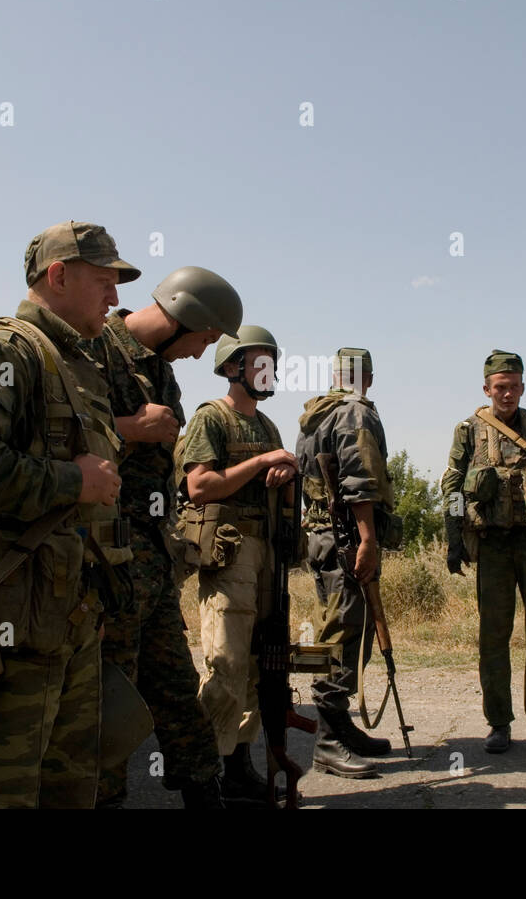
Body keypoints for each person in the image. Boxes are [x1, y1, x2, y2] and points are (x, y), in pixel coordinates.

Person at [0, 221, 136, 808]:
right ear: (59, 275)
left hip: (69, 620)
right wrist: (75, 480)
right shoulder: (3, 348)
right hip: (10, 627)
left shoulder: (80, 366)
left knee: (69, 791)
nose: (115, 297)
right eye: (104, 280)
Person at [85, 265, 242, 808]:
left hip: (150, 558)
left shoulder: (162, 371)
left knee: (175, 684)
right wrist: (130, 429)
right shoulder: (94, 346)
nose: (201, 354)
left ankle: (203, 789)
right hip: (104, 556)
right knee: (111, 691)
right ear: (183, 320)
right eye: (202, 340)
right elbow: (57, 430)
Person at [177, 325, 298, 805]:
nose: (269, 372)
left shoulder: (267, 425)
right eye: (260, 362)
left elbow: (274, 473)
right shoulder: (212, 418)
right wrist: (263, 461)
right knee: (225, 660)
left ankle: (237, 766)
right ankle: (204, 770)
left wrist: (285, 469)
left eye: (273, 362)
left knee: (256, 664)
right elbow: (199, 487)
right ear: (232, 367)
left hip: (266, 552)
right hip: (229, 553)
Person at [442, 350, 526, 755]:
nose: (508, 393)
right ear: (487, 389)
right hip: (494, 548)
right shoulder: (468, 430)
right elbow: (451, 488)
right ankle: (499, 723)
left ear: (522, 388)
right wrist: (453, 538)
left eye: (514, 386)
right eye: (500, 387)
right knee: (494, 637)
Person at [296, 347, 399, 779]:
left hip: (322, 537)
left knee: (343, 630)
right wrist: (369, 538)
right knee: (343, 632)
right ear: (369, 378)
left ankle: (341, 728)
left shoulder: (317, 413)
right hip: (346, 539)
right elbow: (359, 480)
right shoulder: (354, 412)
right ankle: (328, 739)